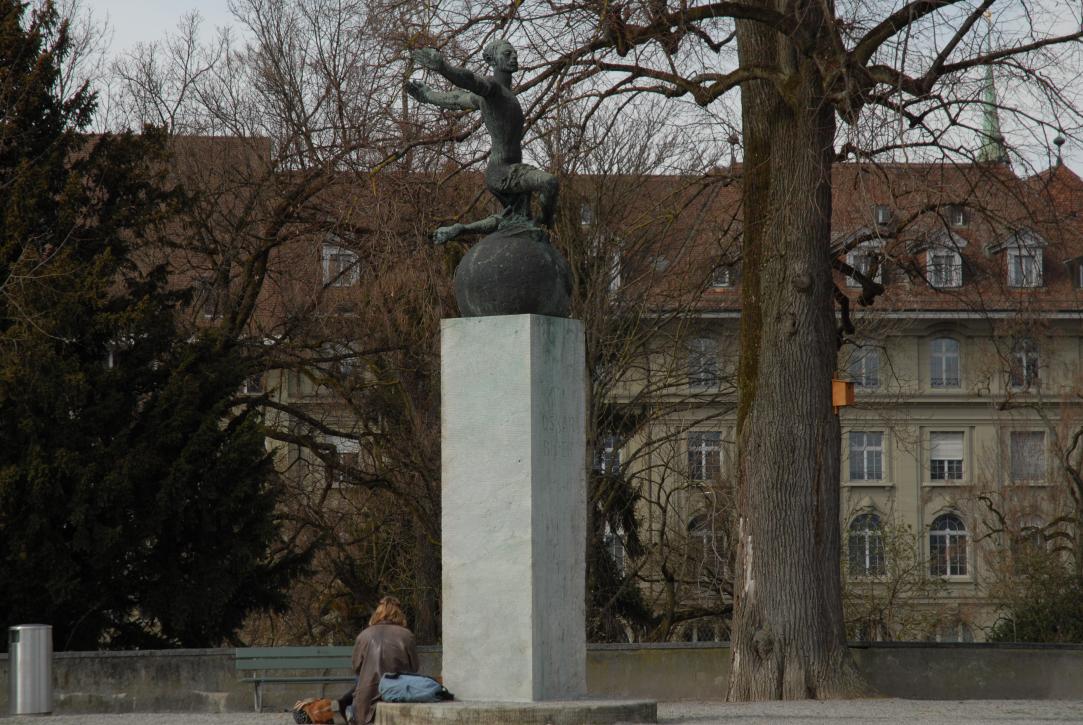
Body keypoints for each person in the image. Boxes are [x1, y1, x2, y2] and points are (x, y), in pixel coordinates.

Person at [405, 39, 560, 242]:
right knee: (549, 182)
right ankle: (545, 223)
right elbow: (470, 81)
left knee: (513, 220)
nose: (513, 57)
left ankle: (459, 229)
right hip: (502, 171)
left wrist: (428, 95)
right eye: (507, 54)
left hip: (507, 169)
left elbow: (456, 99)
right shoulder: (492, 89)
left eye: (514, 53)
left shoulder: (497, 96)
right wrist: (444, 68)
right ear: (491, 59)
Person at [341, 596, 419, 725]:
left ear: (377, 613)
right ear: (399, 614)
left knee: (359, 680)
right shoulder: (407, 635)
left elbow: (356, 667)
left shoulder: (364, 635)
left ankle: (351, 710)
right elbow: (415, 667)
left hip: (367, 697)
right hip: (397, 693)